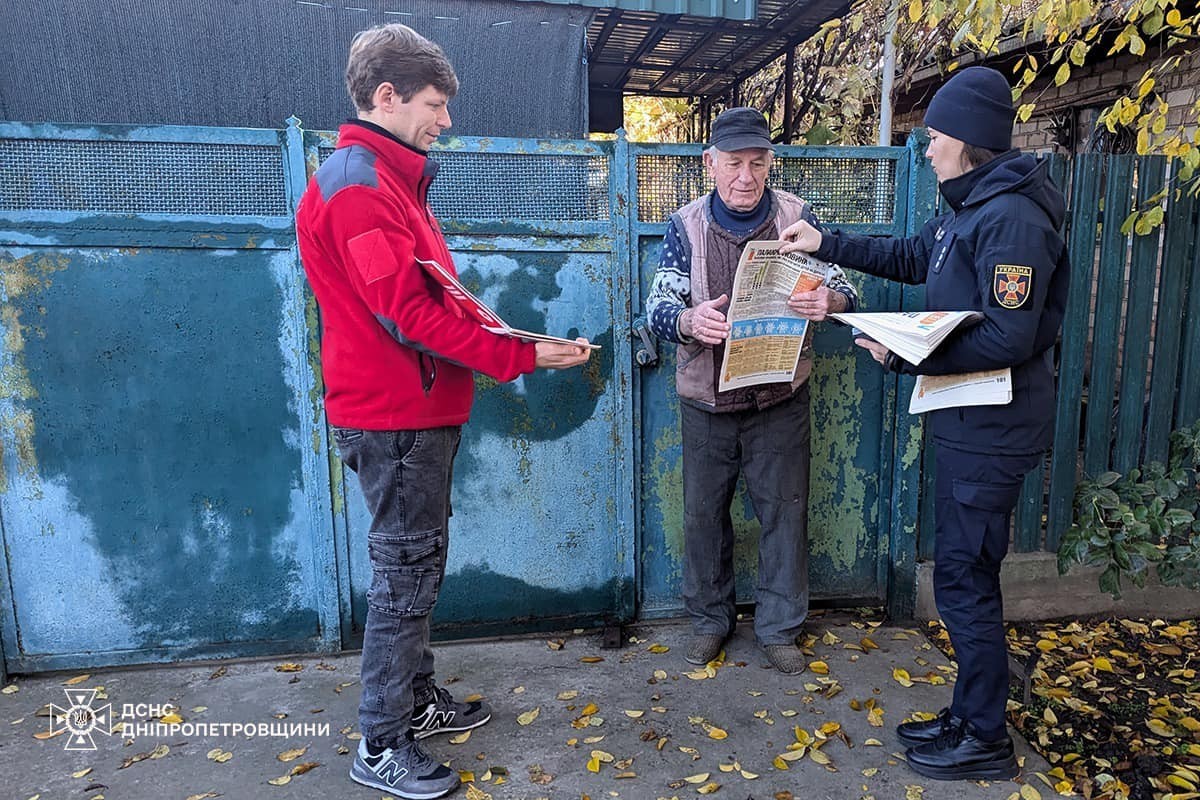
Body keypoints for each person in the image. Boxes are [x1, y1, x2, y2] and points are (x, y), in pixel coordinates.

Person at [295, 23, 590, 800]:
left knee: (416, 566)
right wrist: (519, 356)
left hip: (412, 412)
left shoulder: (385, 179)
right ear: (384, 97)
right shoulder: (359, 186)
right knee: (404, 575)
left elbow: (431, 297)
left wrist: (512, 342)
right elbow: (408, 317)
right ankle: (382, 741)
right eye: (434, 104)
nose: (445, 121)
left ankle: (413, 702)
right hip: (394, 418)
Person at [781, 66, 1069, 781]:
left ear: (968, 138)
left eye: (936, 135)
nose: (928, 146)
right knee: (965, 574)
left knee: (966, 580)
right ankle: (971, 714)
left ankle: (985, 739)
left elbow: (1010, 337)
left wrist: (910, 355)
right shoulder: (972, 207)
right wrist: (828, 243)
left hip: (992, 427)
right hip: (967, 419)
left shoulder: (1011, 218)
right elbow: (915, 256)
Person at [645, 107, 859, 676]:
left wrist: (829, 303)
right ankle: (711, 621)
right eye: (734, 163)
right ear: (709, 163)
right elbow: (657, 307)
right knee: (703, 515)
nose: (746, 176)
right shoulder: (684, 225)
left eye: (757, 163)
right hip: (706, 399)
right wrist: (689, 322)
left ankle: (780, 628)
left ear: (771, 163)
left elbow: (845, 288)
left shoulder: (797, 217)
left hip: (780, 398)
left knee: (784, 512)